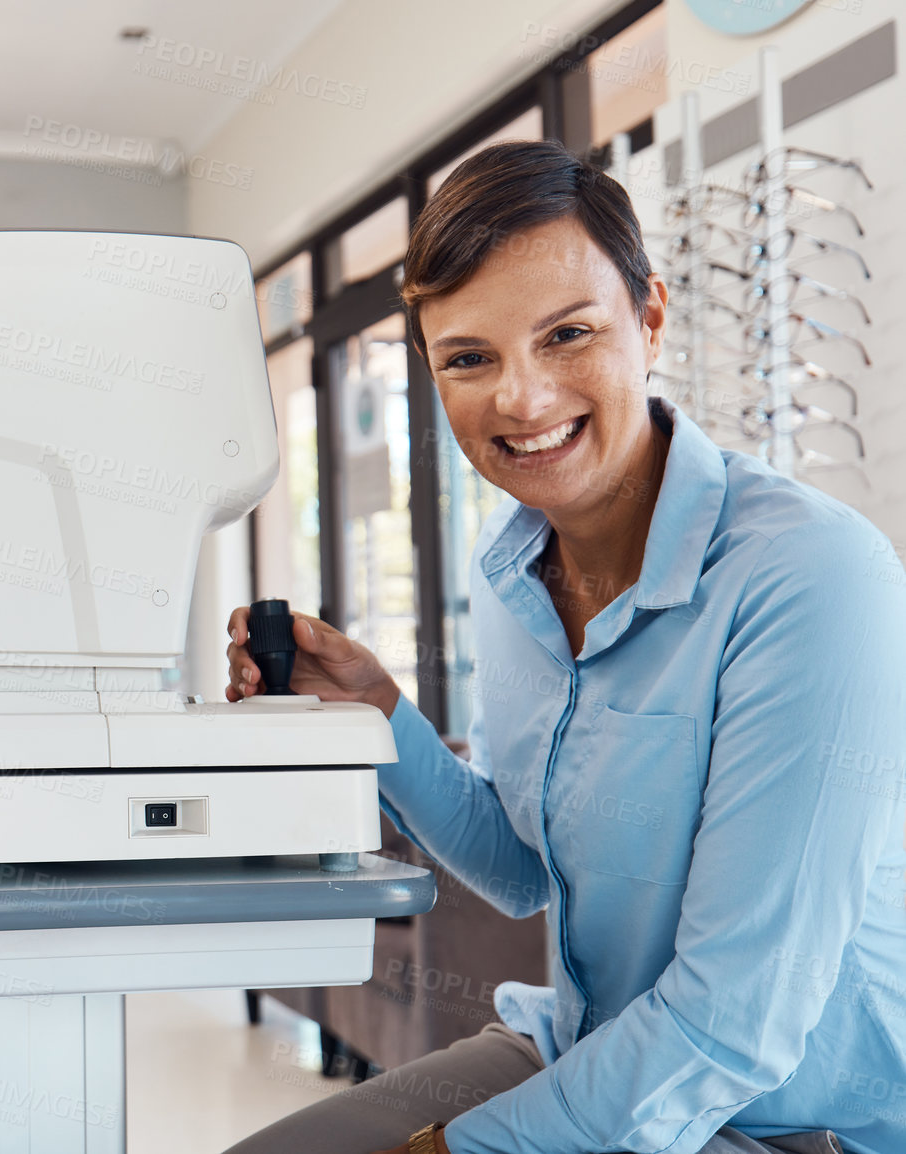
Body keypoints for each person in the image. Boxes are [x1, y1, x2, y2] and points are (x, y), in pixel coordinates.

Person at [223, 140, 906, 1154]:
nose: (523, 399)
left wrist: (458, 1146)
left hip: (793, 1113)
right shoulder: (515, 575)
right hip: (596, 1050)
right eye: (469, 357)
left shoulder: (809, 574)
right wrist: (377, 712)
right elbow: (519, 868)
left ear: (651, 318)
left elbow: (737, 1020)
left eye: (567, 334)